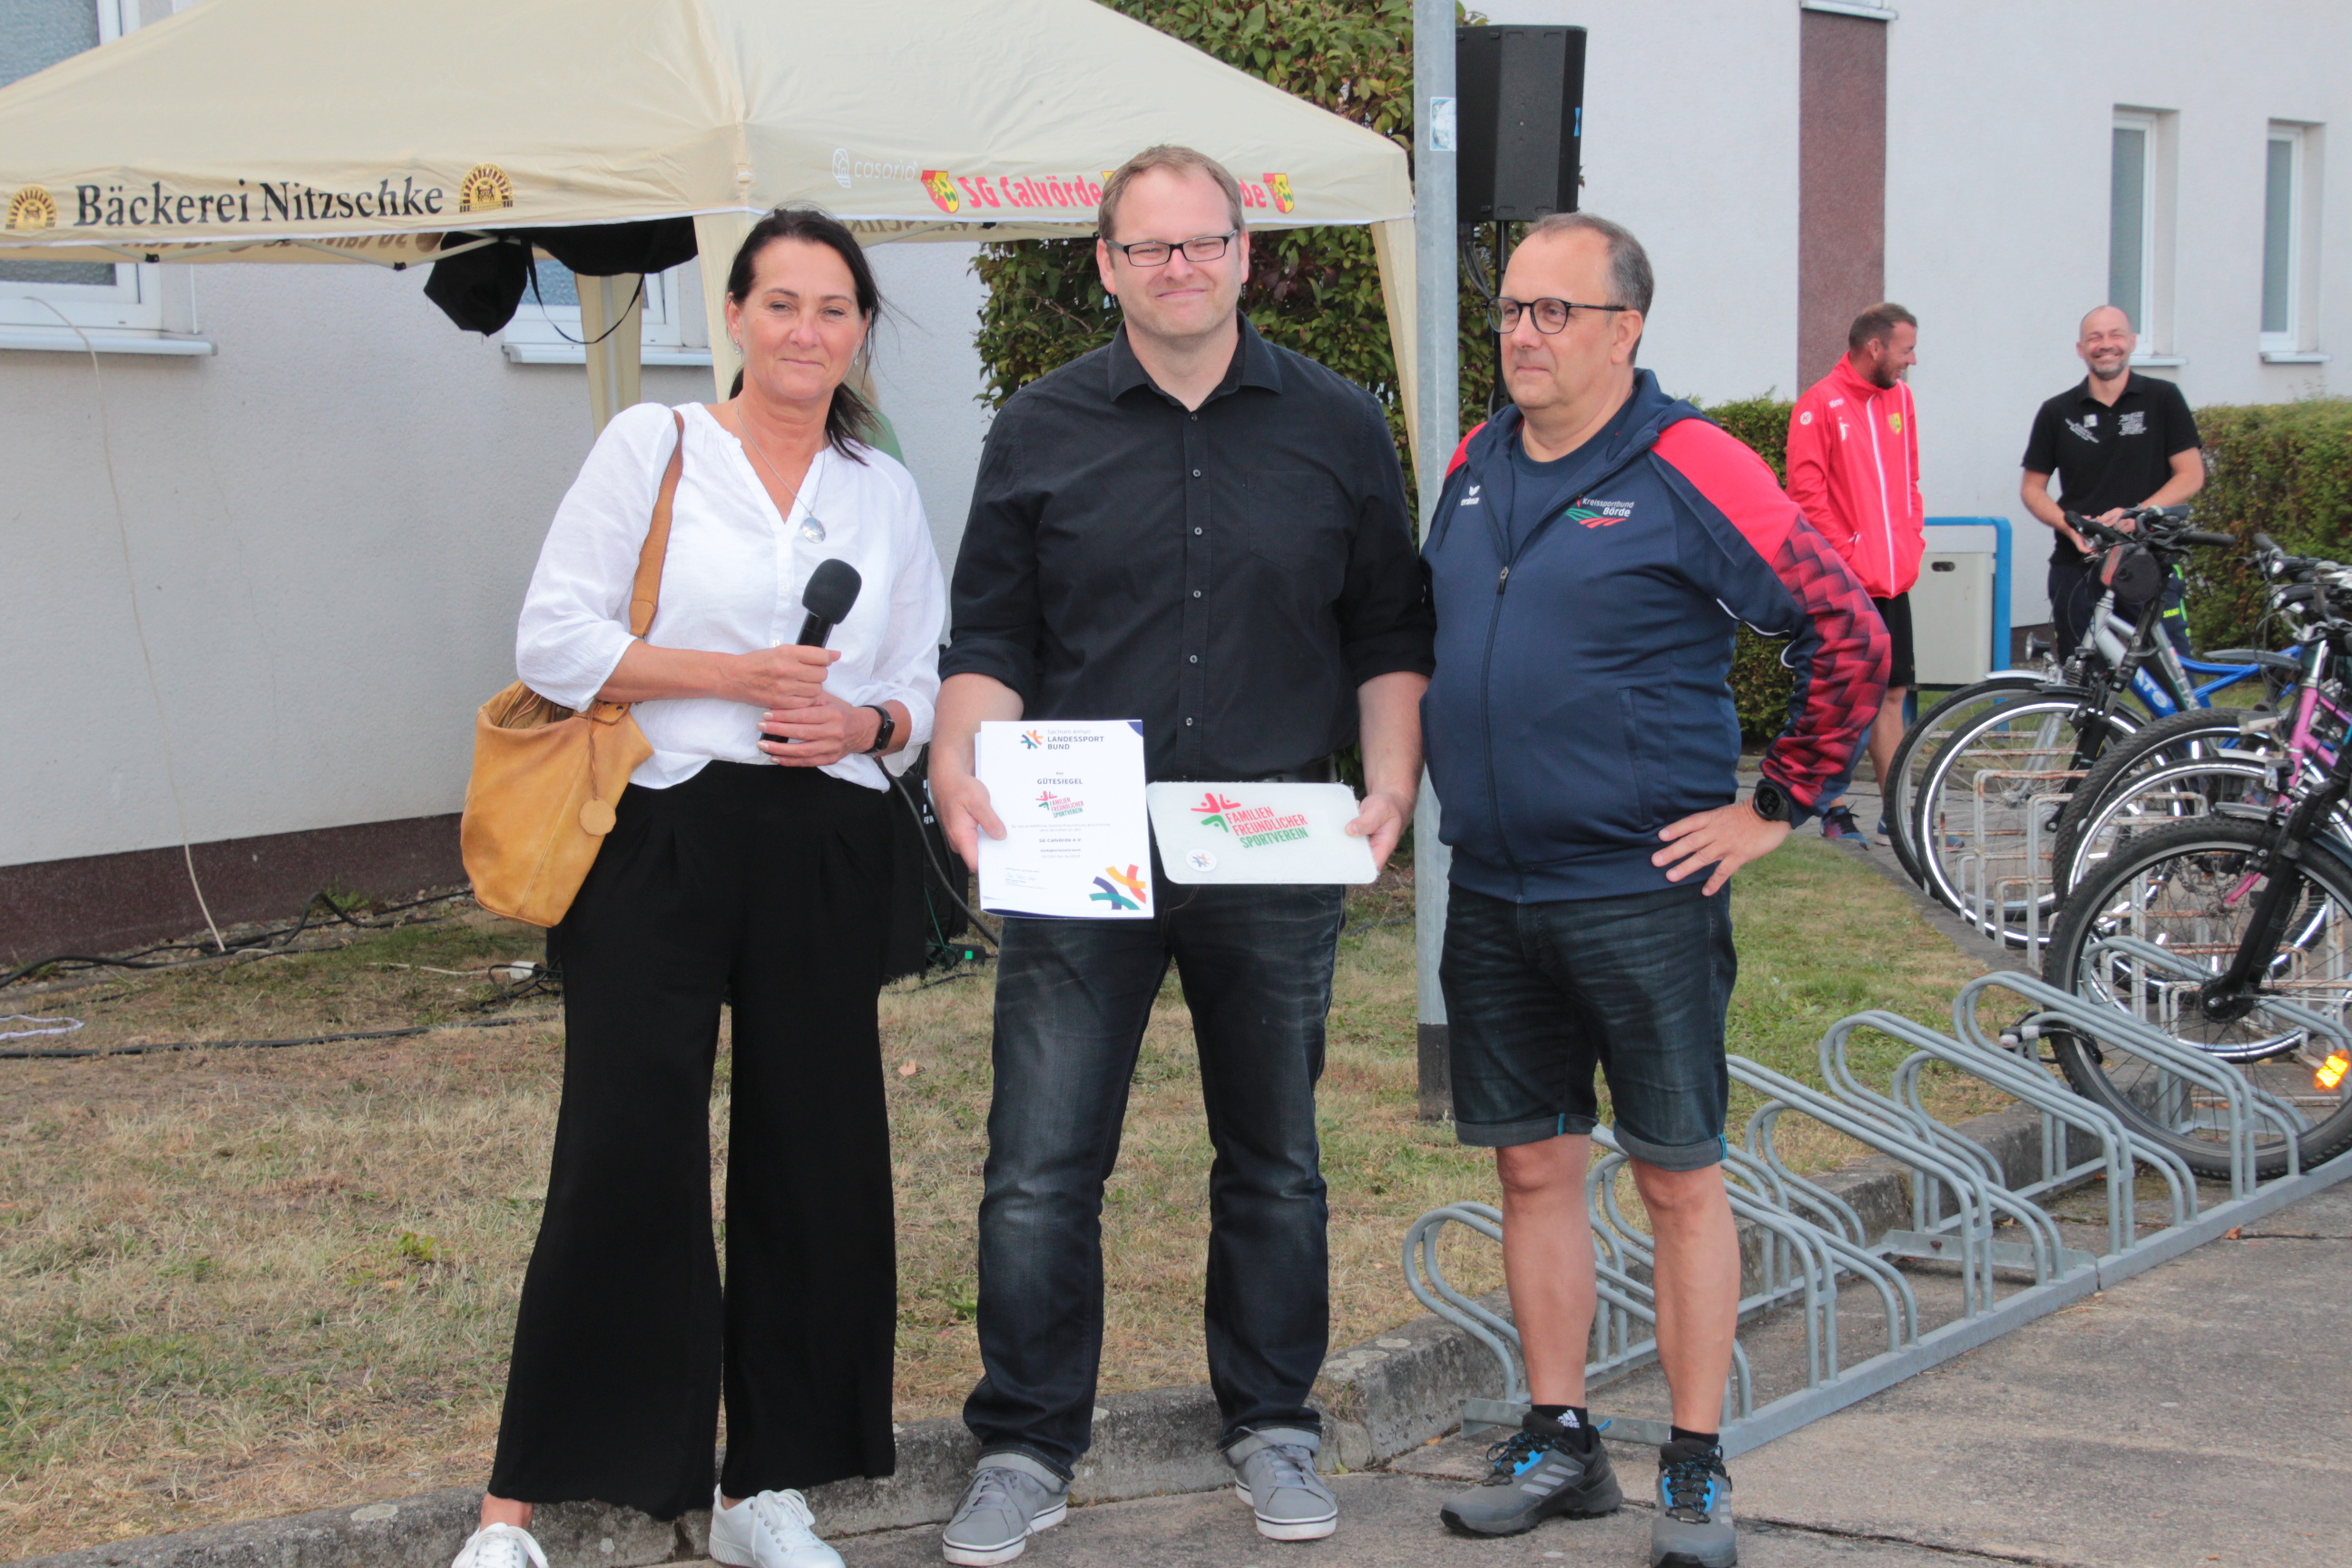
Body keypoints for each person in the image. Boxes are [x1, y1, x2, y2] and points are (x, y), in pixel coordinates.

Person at [926, 144, 1433, 1564]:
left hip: (1270, 837)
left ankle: (1273, 1427)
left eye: (1204, 242)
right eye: (1148, 248)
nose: (1180, 268)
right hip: (1081, 842)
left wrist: (1393, 780)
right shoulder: (1039, 429)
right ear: (1105, 265)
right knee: (1039, 1165)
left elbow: (1387, 626)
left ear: (1244, 253)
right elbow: (992, 635)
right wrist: (959, 758)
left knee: (1273, 1160)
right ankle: (1026, 1448)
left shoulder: (1337, 424)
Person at [446, 210, 947, 1568]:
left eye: (834, 309)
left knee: (816, 1161)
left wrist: (867, 725)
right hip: (660, 831)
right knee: (623, 1150)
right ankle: (517, 1508)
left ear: (860, 330)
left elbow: (919, 678)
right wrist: (734, 675)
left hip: (824, 840)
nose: (806, 332)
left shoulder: (882, 491)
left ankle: (763, 1487)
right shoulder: (654, 445)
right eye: (781, 303)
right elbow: (554, 641)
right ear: (733, 316)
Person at [1419, 213, 1886, 1568]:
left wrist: (1774, 806)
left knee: (1677, 1177)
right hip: (1492, 884)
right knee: (1532, 1166)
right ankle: (1560, 1438)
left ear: (1626, 329)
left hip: (1639, 887)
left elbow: (1846, 629)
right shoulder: (1472, 462)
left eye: (1554, 312)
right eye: (1511, 309)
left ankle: (1694, 1464)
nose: (1523, 334)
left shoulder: (1691, 463)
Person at [1785, 302, 1923, 847]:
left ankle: (1898, 816)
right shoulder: (1819, 404)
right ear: (1875, 347)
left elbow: (1910, 480)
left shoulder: (1902, 400)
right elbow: (1805, 495)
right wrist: (1849, 554)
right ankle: (1834, 810)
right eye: (1907, 349)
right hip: (1844, 582)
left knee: (1892, 694)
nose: (1913, 360)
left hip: (1894, 580)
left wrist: (1910, 542)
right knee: (1840, 696)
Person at [2022, 305, 2205, 659]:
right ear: (2080, 349)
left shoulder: (2163, 398)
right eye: (2095, 337)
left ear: (2132, 342)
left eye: (2115, 335)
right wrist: (2071, 527)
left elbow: (2191, 474)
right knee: (2079, 678)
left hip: (2149, 560)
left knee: (2169, 674)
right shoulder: (2057, 411)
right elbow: (2032, 488)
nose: (2106, 344)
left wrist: (2137, 514)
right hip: (2077, 566)